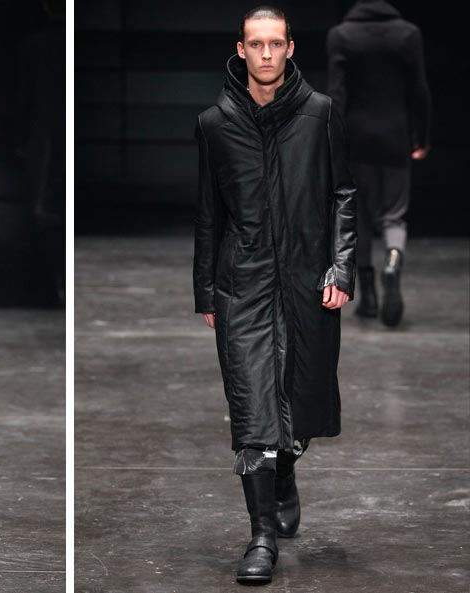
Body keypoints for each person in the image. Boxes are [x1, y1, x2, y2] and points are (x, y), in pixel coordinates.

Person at [193, 6, 356, 585]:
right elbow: (209, 213)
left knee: (300, 397)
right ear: (240, 50)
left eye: (275, 43)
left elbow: (342, 192)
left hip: (309, 280)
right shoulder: (215, 123)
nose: (266, 53)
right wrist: (206, 291)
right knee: (251, 406)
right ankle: (260, 535)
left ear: (290, 48)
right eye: (256, 44)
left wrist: (342, 267)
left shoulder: (320, 113)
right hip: (242, 283)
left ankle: (286, 469)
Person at [327, 0, 431, 326]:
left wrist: (334, 141)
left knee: (358, 217)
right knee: (394, 215)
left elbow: (336, 94)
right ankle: (392, 261)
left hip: (356, 138)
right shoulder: (407, 34)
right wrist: (422, 136)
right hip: (397, 136)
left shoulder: (342, 35)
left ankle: (369, 297)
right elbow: (419, 89)